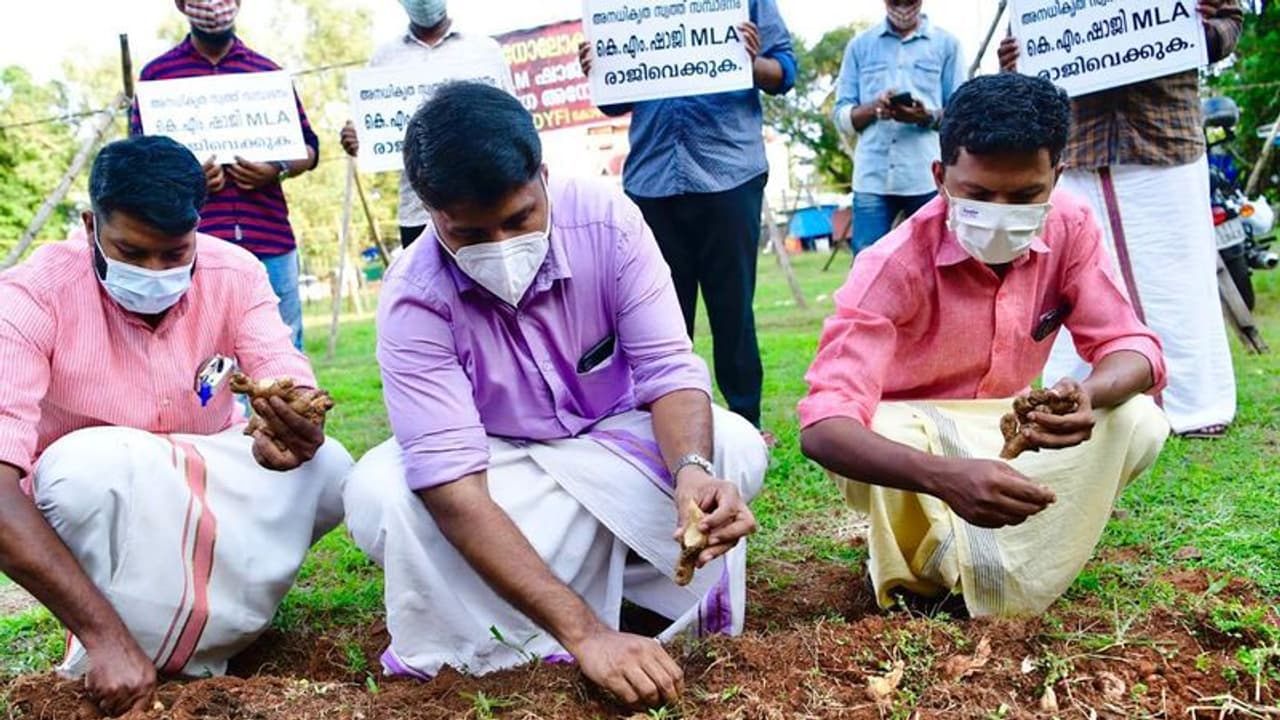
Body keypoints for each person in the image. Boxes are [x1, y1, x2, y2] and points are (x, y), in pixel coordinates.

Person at [343, 83, 768, 707]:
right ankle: (584, 599)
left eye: (518, 219)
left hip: (610, 442)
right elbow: (454, 487)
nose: (500, 247)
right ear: (432, 216)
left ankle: (592, 575)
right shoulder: (413, 294)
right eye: (470, 233)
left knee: (730, 445)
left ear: (543, 175)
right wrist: (589, 636)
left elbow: (669, 369)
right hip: (501, 464)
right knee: (383, 496)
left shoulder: (608, 219)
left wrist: (690, 472)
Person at [0, 136, 352, 716]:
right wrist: (104, 637)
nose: (156, 271)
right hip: (104, 490)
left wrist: (295, 424)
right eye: (132, 253)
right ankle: (123, 644)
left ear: (197, 228)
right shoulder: (31, 296)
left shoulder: (233, 270)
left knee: (332, 469)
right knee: (81, 470)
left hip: (204, 468)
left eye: (174, 252)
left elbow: (284, 372)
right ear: (90, 225)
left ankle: (218, 628)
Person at [798, 74, 1170, 617]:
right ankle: (929, 569)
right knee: (878, 428)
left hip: (1009, 430)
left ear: (1056, 177)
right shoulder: (890, 264)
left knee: (1137, 420)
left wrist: (1089, 393)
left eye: (1024, 196)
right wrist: (942, 476)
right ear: (940, 177)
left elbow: (1133, 348)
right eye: (976, 195)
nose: (1000, 212)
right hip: (913, 439)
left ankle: (990, 549)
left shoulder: (1071, 225)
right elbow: (824, 427)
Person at [999, 1, 1244, 438]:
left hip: (1162, 134)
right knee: (1075, 278)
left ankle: (1195, 406)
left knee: (1179, 275)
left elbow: (1229, 22)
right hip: (1077, 143)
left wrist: (1191, 35)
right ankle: (1073, 396)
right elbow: (1027, 44)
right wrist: (1019, 61)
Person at [578, 1, 797, 428]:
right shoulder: (627, 7)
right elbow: (612, 105)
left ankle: (746, 422)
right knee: (656, 315)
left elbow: (784, 71)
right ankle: (665, 424)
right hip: (653, 178)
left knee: (733, 310)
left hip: (728, 173)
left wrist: (750, 64)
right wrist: (601, 68)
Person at [130, 0, 321, 350]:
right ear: (181, 5)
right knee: (203, 352)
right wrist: (187, 178)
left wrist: (275, 168)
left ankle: (283, 408)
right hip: (195, 240)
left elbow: (309, 148)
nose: (214, 6)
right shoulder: (157, 76)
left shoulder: (267, 73)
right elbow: (140, 163)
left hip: (271, 236)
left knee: (282, 344)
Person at [339, 0, 515, 250]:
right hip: (418, 212)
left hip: (484, 200)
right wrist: (359, 140)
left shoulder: (485, 51)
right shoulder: (384, 58)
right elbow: (372, 130)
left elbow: (513, 119)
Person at [834, 0, 963, 254]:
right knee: (867, 266)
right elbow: (841, 116)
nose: (903, 7)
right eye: (896, 1)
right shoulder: (859, 46)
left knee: (938, 263)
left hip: (927, 178)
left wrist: (924, 117)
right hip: (872, 178)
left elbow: (960, 114)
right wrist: (874, 108)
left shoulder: (947, 45)